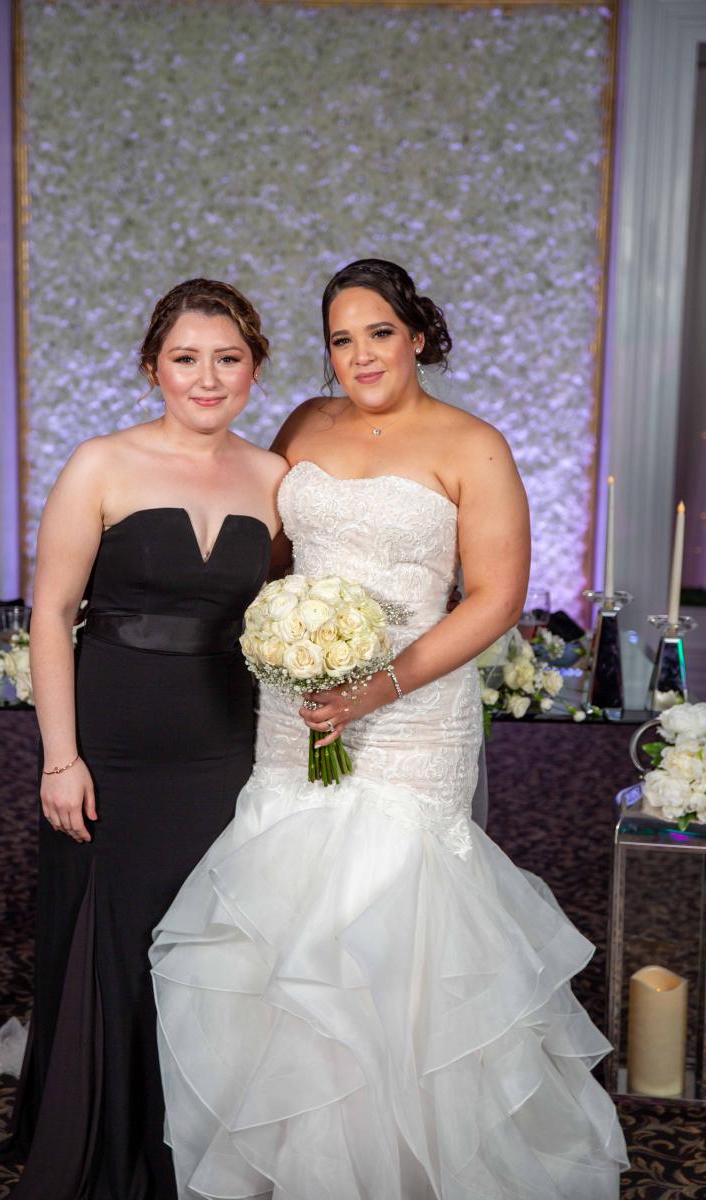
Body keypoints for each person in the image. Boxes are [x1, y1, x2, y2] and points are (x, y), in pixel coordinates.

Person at [150, 259, 628, 1198]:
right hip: (296, 713)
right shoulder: (304, 425)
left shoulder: (473, 444)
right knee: (288, 917)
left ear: (416, 335)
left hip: (414, 719)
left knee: (391, 927)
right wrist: (273, 641)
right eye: (341, 339)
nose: (360, 355)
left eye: (378, 332)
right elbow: (267, 558)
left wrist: (379, 687)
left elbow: (496, 599)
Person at [11, 279, 287, 1200]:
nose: (207, 378)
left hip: (226, 743)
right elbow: (52, 614)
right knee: (116, 936)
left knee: (209, 938)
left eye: (228, 358)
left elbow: (283, 618)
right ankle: (108, 1141)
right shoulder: (101, 464)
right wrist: (61, 758)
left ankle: (193, 1144)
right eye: (185, 358)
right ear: (151, 368)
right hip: (113, 742)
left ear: (254, 369)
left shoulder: (275, 478)